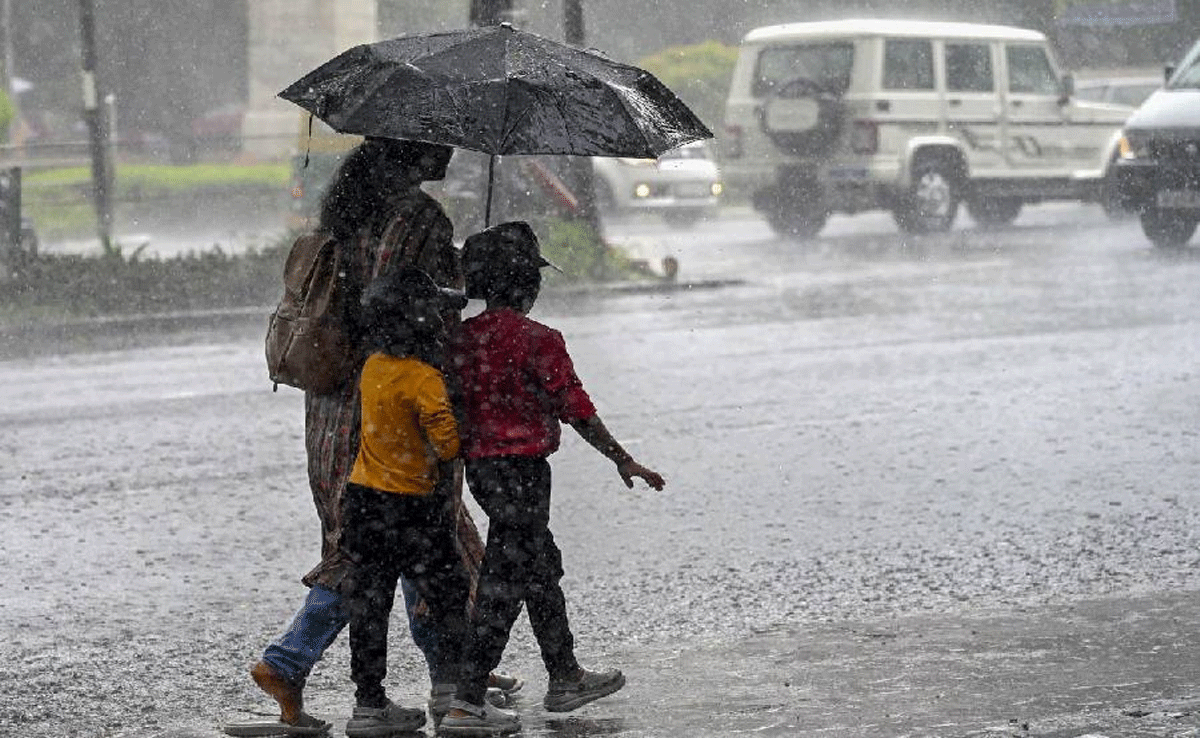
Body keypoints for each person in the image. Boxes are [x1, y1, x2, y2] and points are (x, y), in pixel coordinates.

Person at [245, 138, 517, 735]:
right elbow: (405, 309)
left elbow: (367, 297)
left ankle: (454, 674)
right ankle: (292, 661)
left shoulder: (347, 209)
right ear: (412, 148)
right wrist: (463, 282)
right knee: (398, 547)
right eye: (438, 138)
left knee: (398, 548)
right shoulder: (417, 215)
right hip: (393, 409)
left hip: (334, 404)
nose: (451, 148)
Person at [440, 221, 666, 736]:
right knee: (504, 581)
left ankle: (564, 675)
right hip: (524, 474)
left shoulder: (458, 341)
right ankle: (466, 702)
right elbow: (574, 407)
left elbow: (452, 406)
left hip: (482, 472)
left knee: (539, 566)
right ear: (527, 285)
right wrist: (621, 458)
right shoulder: (540, 340)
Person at [338, 265, 472, 736]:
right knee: (448, 596)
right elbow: (449, 447)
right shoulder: (425, 381)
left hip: (363, 504)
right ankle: (454, 693)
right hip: (413, 508)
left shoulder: (373, 368)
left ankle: (369, 706)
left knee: (371, 606)